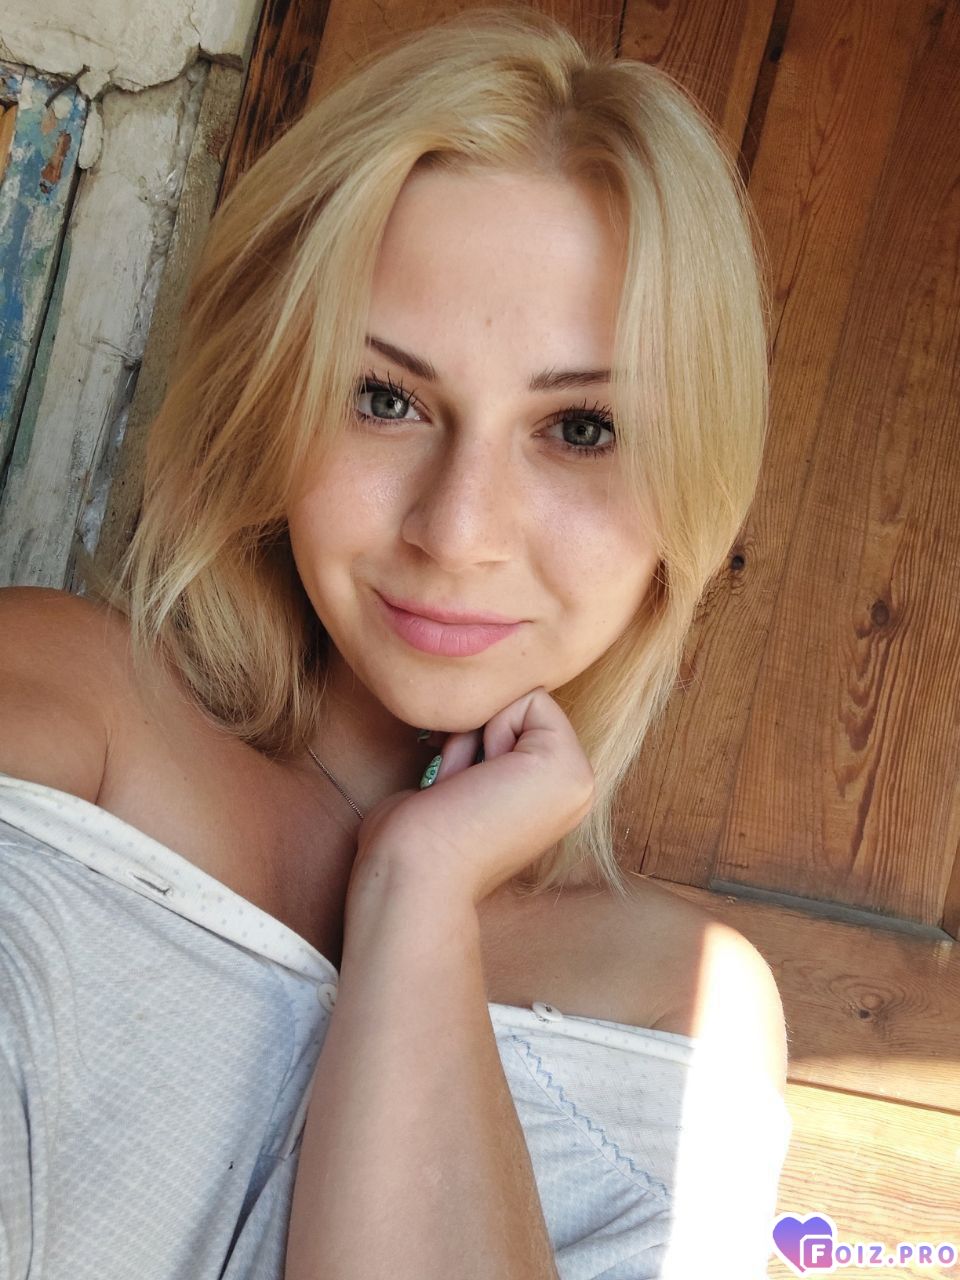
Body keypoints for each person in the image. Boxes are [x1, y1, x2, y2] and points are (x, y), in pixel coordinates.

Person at [0, 8, 792, 1279]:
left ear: (690, 489)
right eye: (385, 397)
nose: (457, 529)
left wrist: (419, 893)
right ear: (272, 402)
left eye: (581, 428)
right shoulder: (55, 699)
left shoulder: (679, 995)